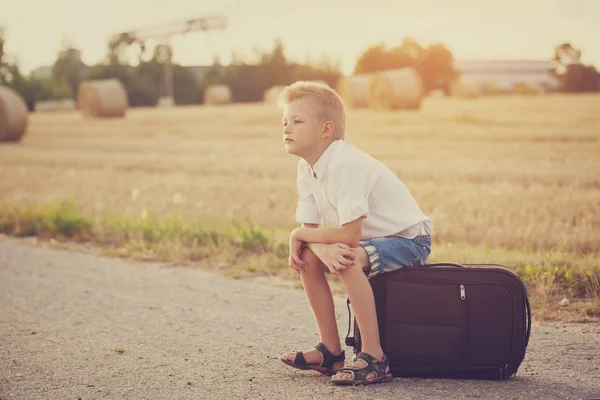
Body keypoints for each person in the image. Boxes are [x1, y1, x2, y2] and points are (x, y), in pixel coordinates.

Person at [277, 81, 433, 386]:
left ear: (325, 130)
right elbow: (312, 232)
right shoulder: (306, 167)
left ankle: (374, 357)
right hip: (364, 239)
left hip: (408, 241)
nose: (287, 128)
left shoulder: (346, 165)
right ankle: (330, 352)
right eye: (284, 122)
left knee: (346, 259)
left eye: (297, 121)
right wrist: (313, 244)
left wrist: (302, 235)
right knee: (307, 259)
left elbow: (347, 237)